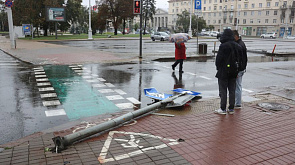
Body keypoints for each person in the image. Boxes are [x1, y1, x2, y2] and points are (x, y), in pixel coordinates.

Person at [215, 29, 242, 115]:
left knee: (223, 90)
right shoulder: (237, 45)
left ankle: (222, 108)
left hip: (223, 71)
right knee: (232, 90)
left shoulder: (223, 46)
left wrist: (218, 68)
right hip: (234, 71)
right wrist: (238, 70)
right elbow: (240, 59)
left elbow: (219, 59)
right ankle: (231, 108)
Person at [232, 30, 248, 109]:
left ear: (235, 36)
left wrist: (238, 70)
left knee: (237, 86)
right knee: (238, 86)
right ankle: (237, 102)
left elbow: (240, 59)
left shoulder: (239, 45)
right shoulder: (241, 43)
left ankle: (237, 103)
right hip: (241, 68)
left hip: (239, 69)